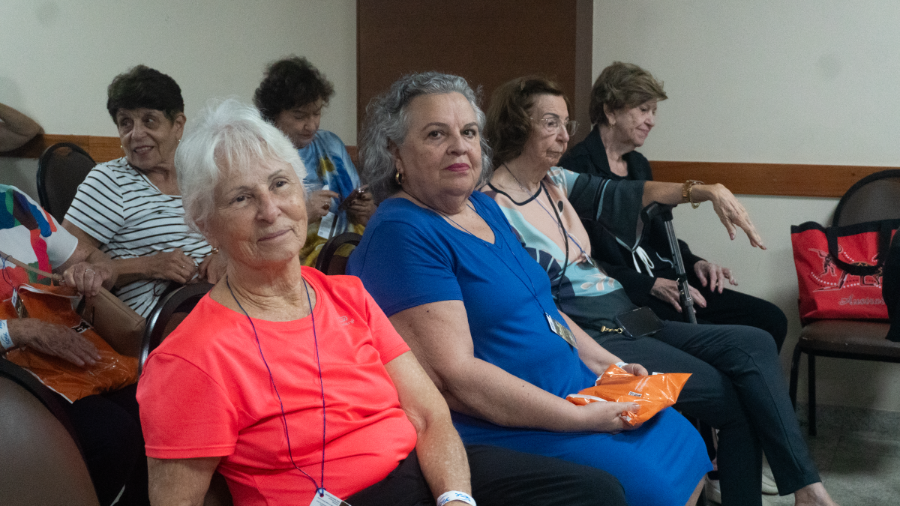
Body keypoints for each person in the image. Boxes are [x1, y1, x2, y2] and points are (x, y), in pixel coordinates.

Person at [136, 99, 628, 506]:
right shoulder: (189, 359)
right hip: (339, 496)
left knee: (596, 492)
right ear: (204, 223)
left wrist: (456, 498)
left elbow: (430, 416)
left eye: (280, 184)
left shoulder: (346, 295)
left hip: (424, 472)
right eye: (241, 199)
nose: (271, 211)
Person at [347, 71, 717, 506]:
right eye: (436, 134)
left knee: (683, 437)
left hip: (573, 389)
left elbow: (543, 306)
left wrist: (610, 366)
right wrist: (579, 418)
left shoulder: (481, 206)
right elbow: (455, 380)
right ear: (395, 151)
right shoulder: (401, 233)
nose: (459, 146)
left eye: (469, 132)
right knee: (649, 484)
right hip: (509, 423)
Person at [481, 75, 839, 506]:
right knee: (734, 398)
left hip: (629, 316)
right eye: (550, 123)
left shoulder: (557, 179)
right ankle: (799, 491)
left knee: (756, 340)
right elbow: (525, 302)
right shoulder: (492, 205)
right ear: (517, 126)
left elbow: (635, 192)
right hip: (593, 334)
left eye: (566, 123)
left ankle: (806, 486)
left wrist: (705, 190)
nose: (563, 135)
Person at [559, 61, 788, 351]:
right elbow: (581, 259)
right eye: (643, 109)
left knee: (770, 319)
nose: (651, 121)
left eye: (653, 111)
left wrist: (696, 263)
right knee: (736, 342)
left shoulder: (638, 164)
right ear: (610, 111)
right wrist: (649, 285)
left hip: (667, 279)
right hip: (629, 292)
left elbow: (660, 236)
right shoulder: (576, 169)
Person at [0, 184, 147, 505]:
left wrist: (90, 272)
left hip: (52, 354)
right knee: (111, 435)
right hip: (9, 372)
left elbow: (91, 258)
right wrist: (18, 331)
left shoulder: (13, 202)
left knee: (151, 410)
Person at [62, 65, 222, 318]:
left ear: (177, 125)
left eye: (149, 121)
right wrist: (148, 266)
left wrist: (221, 255)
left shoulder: (200, 175)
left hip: (215, 297)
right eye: (125, 123)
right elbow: (64, 262)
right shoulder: (109, 181)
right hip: (160, 317)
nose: (136, 134)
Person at [254, 56, 375, 265]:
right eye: (299, 116)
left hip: (350, 248)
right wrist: (305, 211)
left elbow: (359, 203)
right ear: (273, 116)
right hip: (300, 261)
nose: (311, 125)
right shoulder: (262, 157)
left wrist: (367, 210)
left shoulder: (331, 145)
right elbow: (259, 230)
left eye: (316, 113)